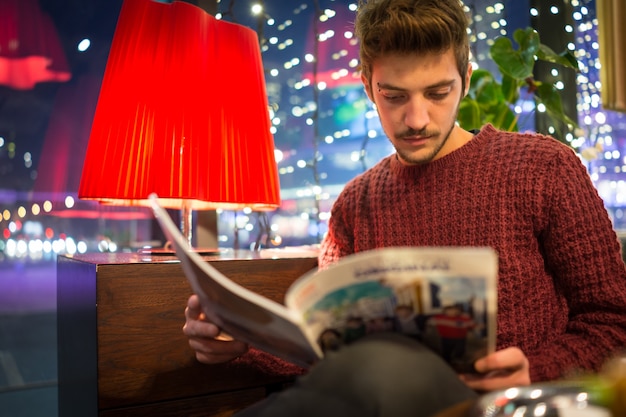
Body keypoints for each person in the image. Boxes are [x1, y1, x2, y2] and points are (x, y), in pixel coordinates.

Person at [182, 0, 626, 415]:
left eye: (437, 93)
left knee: (383, 366)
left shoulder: (542, 167)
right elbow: (329, 355)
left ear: (466, 80)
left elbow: (613, 322)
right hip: (377, 397)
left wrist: (535, 370)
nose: (416, 119)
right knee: (374, 367)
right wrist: (240, 344)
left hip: (499, 404)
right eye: (394, 96)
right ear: (368, 88)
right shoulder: (356, 202)